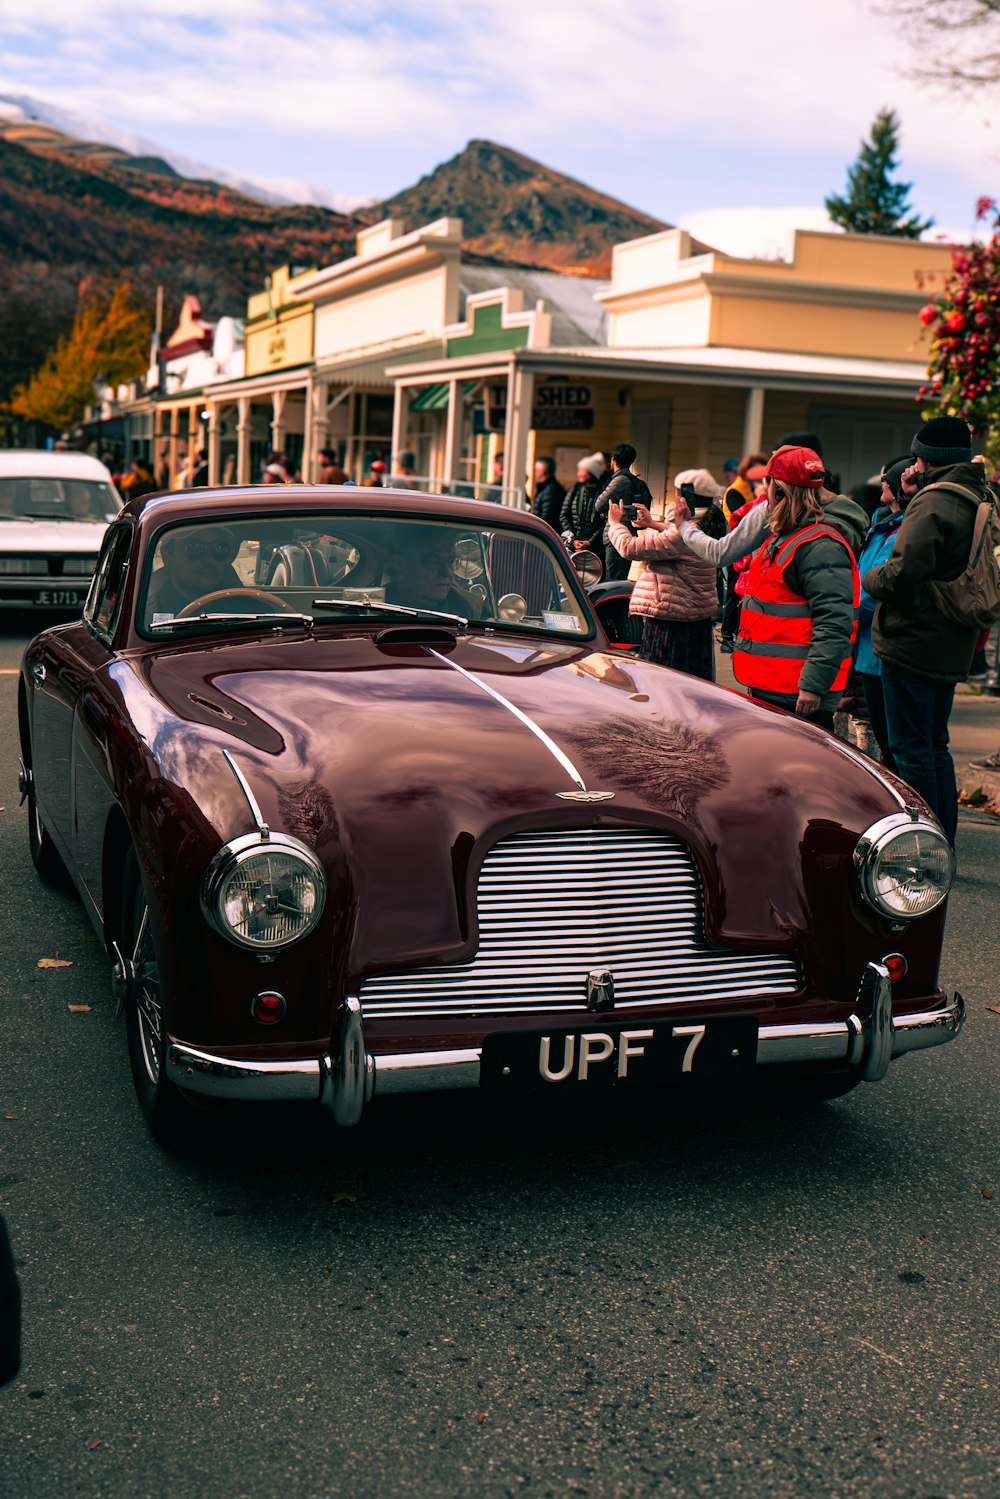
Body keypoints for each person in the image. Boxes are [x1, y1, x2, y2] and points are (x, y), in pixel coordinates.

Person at [863, 416, 989, 845]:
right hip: (951, 637)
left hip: (914, 638)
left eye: (918, 455)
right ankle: (943, 840)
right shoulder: (976, 493)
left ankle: (921, 846)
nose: (913, 463)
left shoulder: (935, 502)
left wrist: (871, 577)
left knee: (911, 751)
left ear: (929, 458)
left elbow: (902, 574)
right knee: (935, 746)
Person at [730, 445, 860, 731]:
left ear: (778, 491)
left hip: (797, 695)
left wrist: (813, 686)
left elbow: (834, 623)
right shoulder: (790, 536)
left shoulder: (820, 546)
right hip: (775, 685)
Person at [606, 475, 720, 678]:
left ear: (685, 499)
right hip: (695, 617)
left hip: (672, 621)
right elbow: (678, 540)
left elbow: (629, 548)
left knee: (662, 680)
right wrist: (654, 524)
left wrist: (614, 524)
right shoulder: (712, 524)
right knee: (693, 680)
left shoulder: (681, 534)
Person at [853, 458, 910, 769]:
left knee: (893, 746)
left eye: (888, 477)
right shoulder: (880, 525)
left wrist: (848, 616)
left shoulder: (900, 531)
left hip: (881, 649)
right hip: (865, 648)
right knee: (883, 740)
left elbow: (880, 588)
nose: (882, 482)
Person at [145, 526, 243, 619]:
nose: (209, 560)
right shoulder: (145, 616)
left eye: (220, 548)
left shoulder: (248, 611)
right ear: (168, 555)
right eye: (195, 548)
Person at [593, 443, 653, 582]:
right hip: (629, 532)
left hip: (616, 535)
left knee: (613, 580)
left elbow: (599, 505)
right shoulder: (635, 481)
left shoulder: (620, 480)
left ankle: (613, 604)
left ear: (613, 460)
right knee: (619, 577)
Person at [559, 454, 605, 553]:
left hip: (596, 550)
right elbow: (564, 515)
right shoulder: (574, 490)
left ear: (591, 472)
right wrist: (573, 540)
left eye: (581, 470)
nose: (578, 474)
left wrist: (590, 542)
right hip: (572, 548)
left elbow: (605, 522)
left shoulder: (603, 492)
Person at [530, 457, 565, 531]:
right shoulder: (545, 488)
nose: (534, 473)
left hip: (546, 534)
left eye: (536, 470)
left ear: (542, 472)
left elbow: (547, 520)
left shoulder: (550, 490)